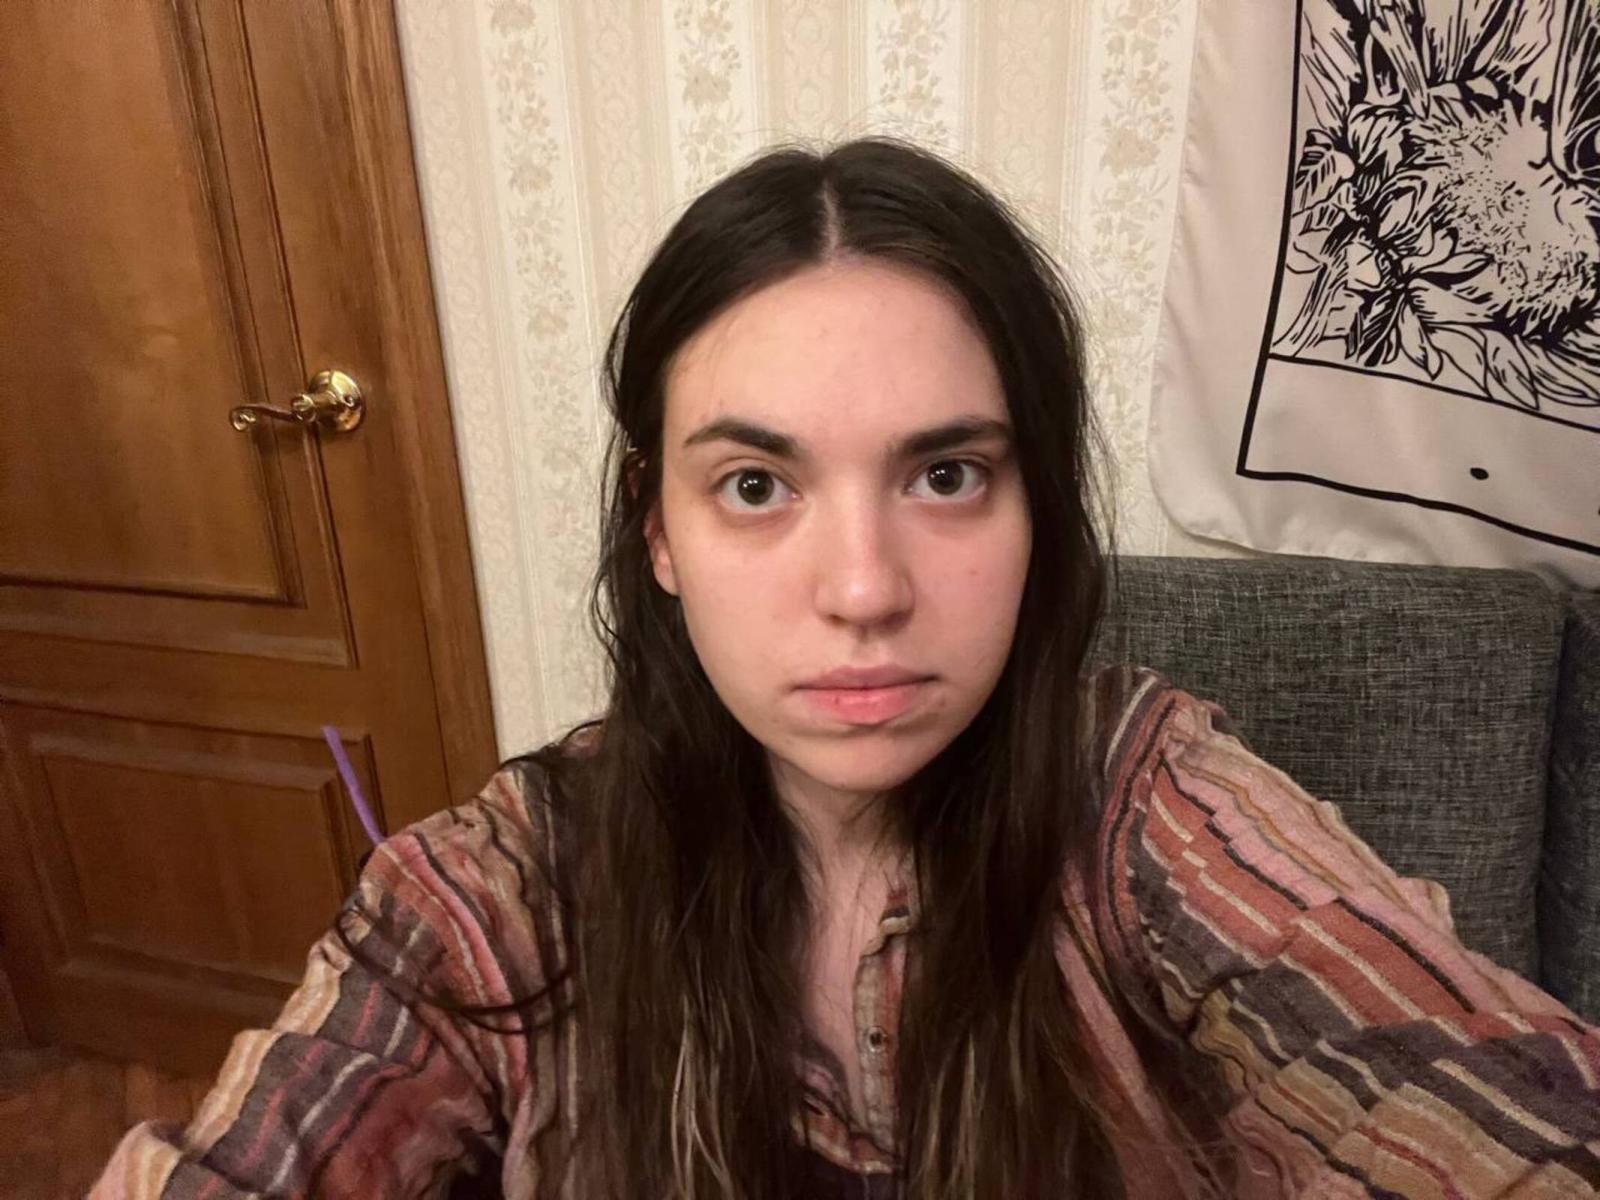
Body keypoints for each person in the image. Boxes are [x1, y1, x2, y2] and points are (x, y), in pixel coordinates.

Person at [90, 137, 1599, 1200]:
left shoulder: (1151, 811)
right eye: (757, 486)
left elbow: (1461, 1086)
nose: (866, 592)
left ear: (1037, 509)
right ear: (658, 533)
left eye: (947, 476)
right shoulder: (512, 879)